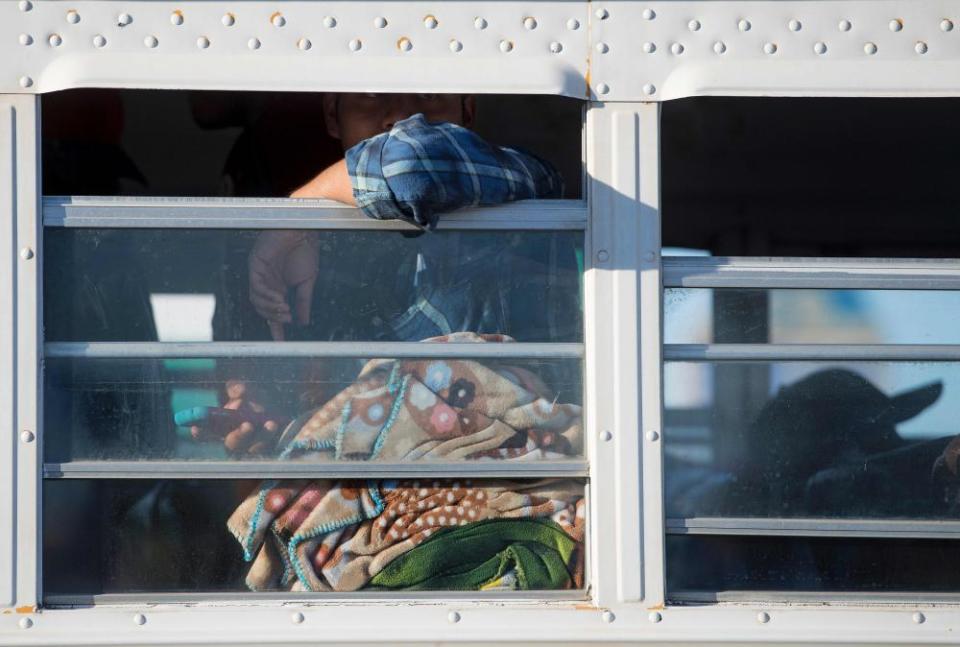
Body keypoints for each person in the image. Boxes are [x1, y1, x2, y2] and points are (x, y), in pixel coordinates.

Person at [191, 93, 580, 456]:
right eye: (373, 95)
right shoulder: (307, 259)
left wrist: (296, 213)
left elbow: (409, 167)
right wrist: (271, 426)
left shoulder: (519, 180)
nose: (401, 116)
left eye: (429, 95)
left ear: (469, 112)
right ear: (331, 115)